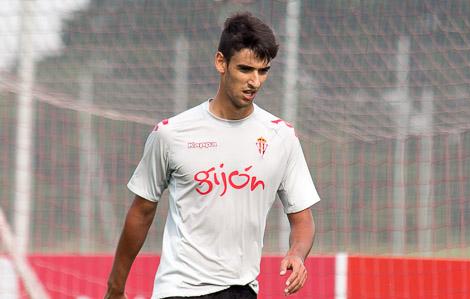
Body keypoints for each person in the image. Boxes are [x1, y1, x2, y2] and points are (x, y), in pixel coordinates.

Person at [104, 11, 320, 299]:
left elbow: (302, 219)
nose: (254, 82)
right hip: (179, 289)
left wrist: (297, 254)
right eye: (245, 69)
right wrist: (115, 288)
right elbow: (141, 211)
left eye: (263, 71)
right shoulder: (172, 133)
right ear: (221, 62)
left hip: (243, 290)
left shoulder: (281, 137)